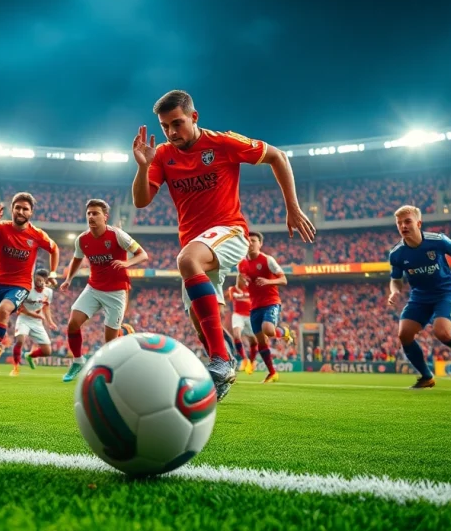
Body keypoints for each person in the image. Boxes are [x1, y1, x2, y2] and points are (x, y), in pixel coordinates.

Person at [132, 90, 315, 400]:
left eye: (177, 123)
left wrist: (293, 208)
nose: (172, 132)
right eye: (165, 127)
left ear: (194, 116)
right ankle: (224, 369)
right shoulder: (162, 155)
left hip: (229, 232)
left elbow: (277, 156)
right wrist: (142, 166)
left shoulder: (222, 142)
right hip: (197, 243)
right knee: (198, 320)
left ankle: (219, 361)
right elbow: (140, 201)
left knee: (187, 260)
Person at [387, 205, 451, 388]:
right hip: (419, 296)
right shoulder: (396, 253)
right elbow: (395, 279)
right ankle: (426, 376)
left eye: (407, 221)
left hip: (445, 291)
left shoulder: (437, 241)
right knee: (404, 335)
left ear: (419, 223)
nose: (403, 226)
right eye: (399, 223)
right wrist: (394, 291)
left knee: (442, 332)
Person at [0, 193, 59, 377]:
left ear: (31, 212)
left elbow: (54, 248)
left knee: (4, 310)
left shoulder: (37, 234)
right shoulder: (1, 227)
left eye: (25, 208)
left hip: (20, 285)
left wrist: (53, 273)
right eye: (17, 207)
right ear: (12, 209)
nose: (21, 211)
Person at [59, 199, 148, 382]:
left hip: (116, 292)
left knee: (110, 342)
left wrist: (126, 262)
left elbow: (143, 254)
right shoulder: (82, 240)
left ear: (105, 217)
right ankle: (77, 361)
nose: (91, 216)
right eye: (89, 213)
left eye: (95, 213)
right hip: (93, 288)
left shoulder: (118, 235)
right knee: (73, 323)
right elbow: (77, 259)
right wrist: (69, 279)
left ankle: (115, 369)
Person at [237, 232, 293, 383]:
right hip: (255, 306)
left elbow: (284, 279)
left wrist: (268, 282)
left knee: (268, 330)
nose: (250, 243)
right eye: (248, 241)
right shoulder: (242, 264)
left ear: (260, 244)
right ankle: (272, 373)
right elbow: (241, 285)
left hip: (271, 301)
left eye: (253, 241)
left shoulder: (268, 260)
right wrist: (240, 279)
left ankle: (285, 331)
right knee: (261, 341)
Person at [11, 269, 57, 376]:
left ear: (45, 280)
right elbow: (20, 308)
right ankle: (15, 367)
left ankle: (30, 356)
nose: (37, 282)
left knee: (47, 351)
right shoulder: (27, 289)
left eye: (40, 280)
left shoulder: (49, 292)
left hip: (37, 323)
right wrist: (34, 315)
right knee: (20, 340)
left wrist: (50, 322)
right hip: (24, 319)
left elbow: (46, 308)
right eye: (36, 279)